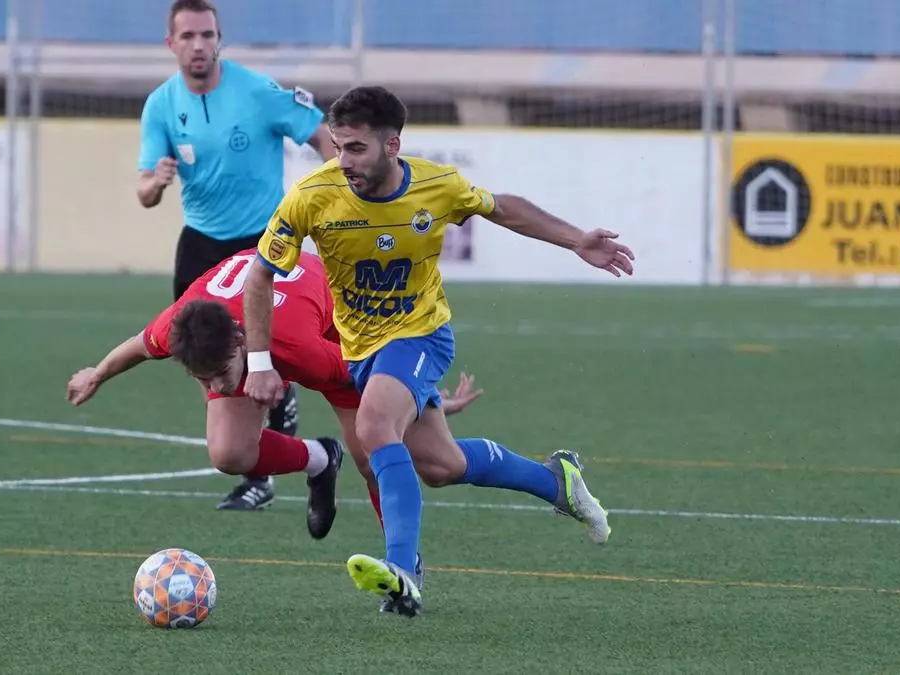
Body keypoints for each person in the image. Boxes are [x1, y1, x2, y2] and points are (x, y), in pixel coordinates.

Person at [241, 85, 636, 617]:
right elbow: (260, 275)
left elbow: (502, 208)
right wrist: (260, 363)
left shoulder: (437, 185)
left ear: (392, 145)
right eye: (338, 146)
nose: (344, 160)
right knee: (440, 465)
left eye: (356, 148)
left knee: (374, 426)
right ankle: (555, 481)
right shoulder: (312, 196)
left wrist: (576, 240)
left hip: (421, 334)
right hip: (361, 349)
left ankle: (404, 571)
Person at [65, 249, 485, 545]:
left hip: (330, 322)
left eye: (220, 375)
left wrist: (421, 397)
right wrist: (97, 374)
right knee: (229, 453)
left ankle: (402, 568)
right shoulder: (178, 328)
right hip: (259, 318)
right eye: (203, 379)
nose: (217, 388)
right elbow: (140, 345)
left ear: (240, 342)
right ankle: (320, 458)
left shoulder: (302, 348)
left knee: (371, 455)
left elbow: (373, 372)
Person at [136, 0, 336, 511]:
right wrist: (155, 183)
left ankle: (265, 466)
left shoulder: (256, 91)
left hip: (265, 244)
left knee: (271, 358)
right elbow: (144, 190)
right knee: (210, 359)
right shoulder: (161, 104)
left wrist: (339, 187)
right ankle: (257, 472)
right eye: (188, 36)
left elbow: (319, 133)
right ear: (171, 44)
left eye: (207, 35)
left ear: (219, 39)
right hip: (201, 247)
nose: (199, 45)